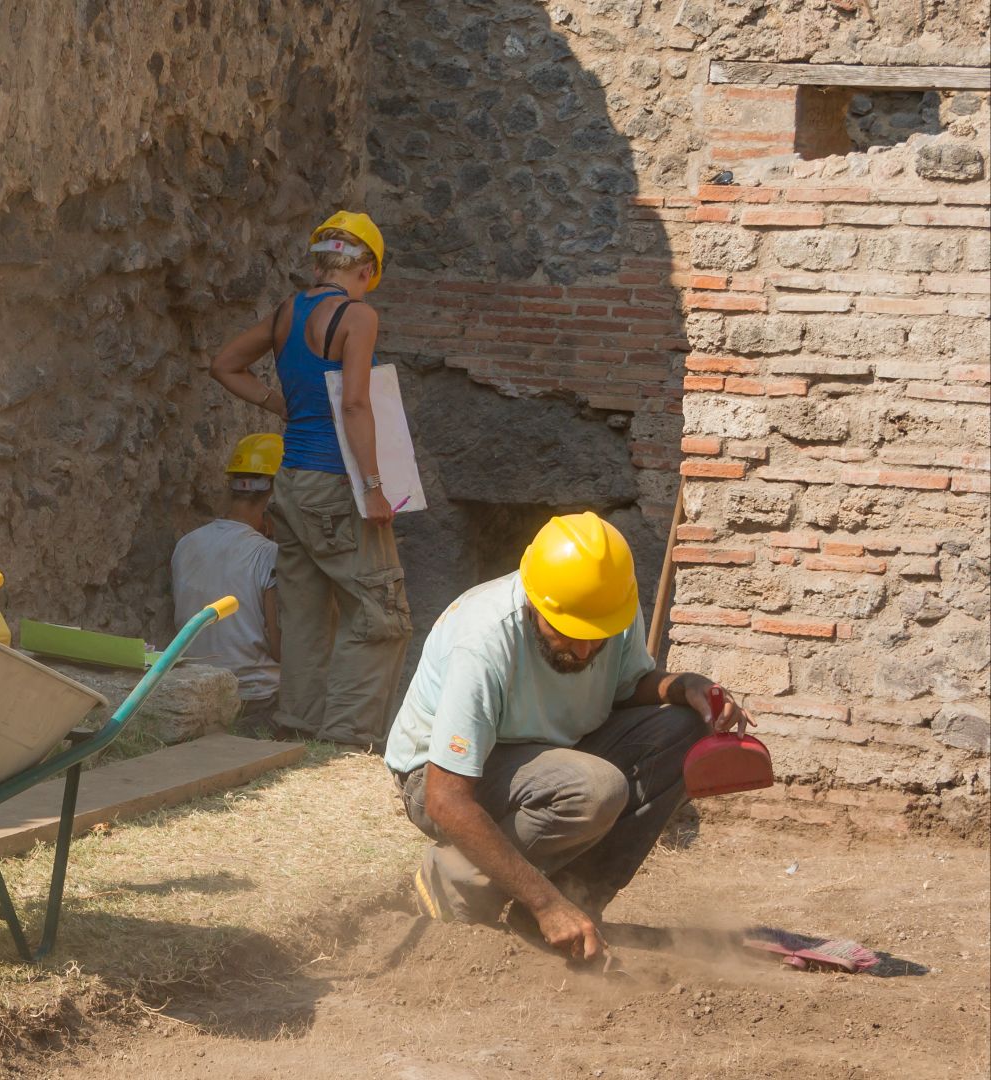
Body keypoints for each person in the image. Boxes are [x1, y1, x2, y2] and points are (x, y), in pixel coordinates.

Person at [383, 512, 749, 961]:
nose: (583, 651)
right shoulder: (482, 642)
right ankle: (455, 882)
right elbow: (446, 798)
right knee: (593, 790)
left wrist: (684, 685)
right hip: (439, 777)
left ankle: (578, 904)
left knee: (683, 729)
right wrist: (544, 903)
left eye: (596, 639)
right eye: (568, 634)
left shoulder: (607, 609)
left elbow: (626, 685)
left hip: (548, 754)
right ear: (536, 603)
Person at [208, 211, 410, 749]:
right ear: (365, 267)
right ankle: (347, 738)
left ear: (321, 260)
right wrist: (371, 486)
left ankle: (297, 723)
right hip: (334, 481)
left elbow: (225, 363)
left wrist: (282, 407)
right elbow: (356, 403)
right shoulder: (357, 317)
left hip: (290, 481)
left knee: (303, 611)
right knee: (378, 610)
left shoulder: (286, 312)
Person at [172, 433, 284, 737]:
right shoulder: (268, 554)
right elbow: (280, 649)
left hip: (197, 691)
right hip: (255, 698)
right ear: (276, 492)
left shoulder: (186, 544)